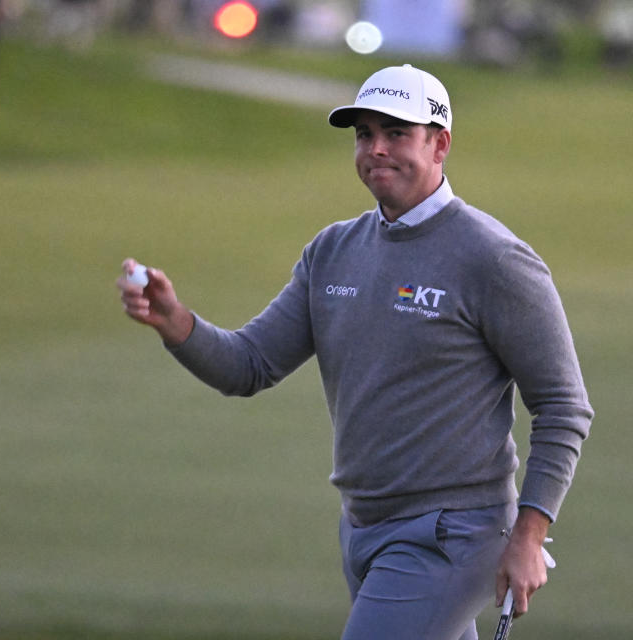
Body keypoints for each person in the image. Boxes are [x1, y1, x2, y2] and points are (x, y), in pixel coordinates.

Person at [116, 64, 593, 640]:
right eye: (365, 134)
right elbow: (249, 365)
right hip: (363, 528)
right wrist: (176, 323)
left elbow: (564, 406)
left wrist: (529, 537)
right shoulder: (334, 251)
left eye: (396, 133)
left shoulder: (494, 259)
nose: (377, 149)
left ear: (440, 144)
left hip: (453, 533)